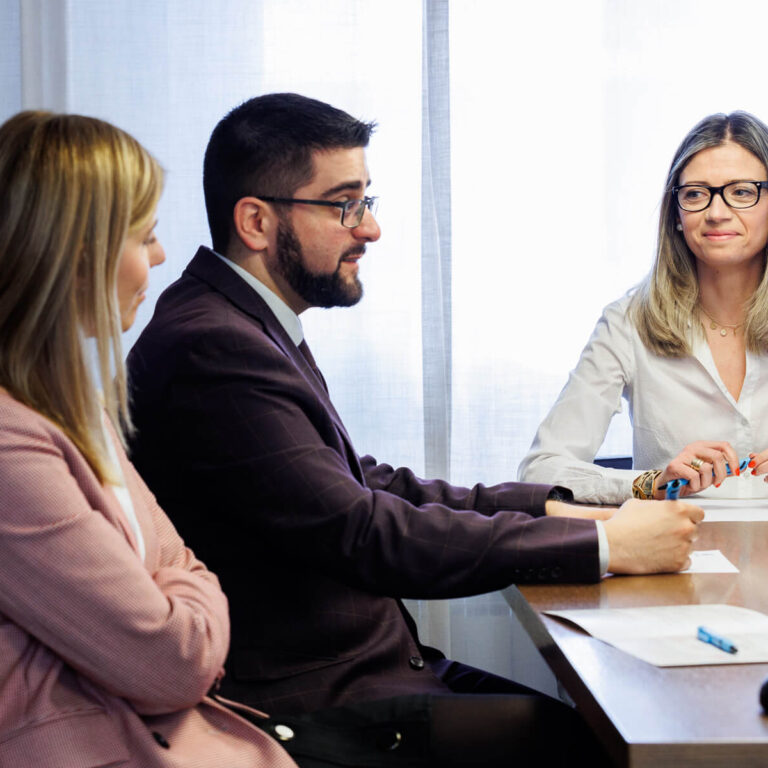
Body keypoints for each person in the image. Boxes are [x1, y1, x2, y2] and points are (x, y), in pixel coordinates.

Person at [126, 93, 701, 758]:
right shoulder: (214, 348)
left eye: (367, 201)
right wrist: (606, 550)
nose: (370, 229)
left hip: (370, 676)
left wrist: (568, 512)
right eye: (345, 204)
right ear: (255, 221)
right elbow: (364, 532)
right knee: (596, 740)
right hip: (317, 708)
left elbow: (365, 482)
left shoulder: (241, 322)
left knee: (595, 726)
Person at [0, 109, 310, 767]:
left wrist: (173, 589)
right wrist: (178, 596)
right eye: (145, 236)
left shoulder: (73, 408)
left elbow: (182, 567)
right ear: (76, 259)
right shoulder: (10, 444)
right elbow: (173, 659)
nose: (162, 256)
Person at [519, 111, 768, 505]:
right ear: (676, 216)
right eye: (696, 194)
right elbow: (541, 469)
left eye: (742, 191)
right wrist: (650, 482)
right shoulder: (629, 321)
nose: (717, 212)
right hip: (676, 557)